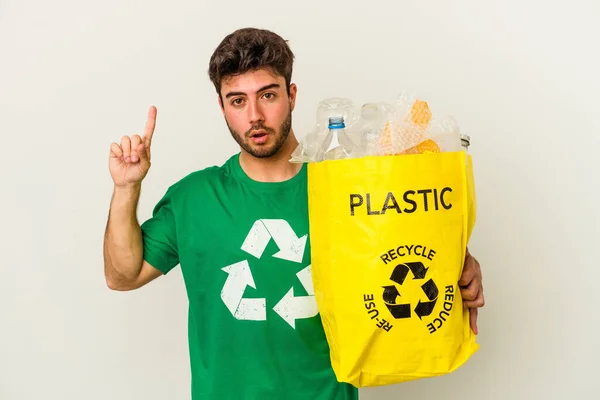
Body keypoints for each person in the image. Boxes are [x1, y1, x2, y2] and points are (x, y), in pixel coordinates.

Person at [103, 27, 485, 400]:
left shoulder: (348, 187)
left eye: (267, 95)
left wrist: (458, 266)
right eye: (237, 100)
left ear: (292, 95)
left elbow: (403, 254)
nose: (254, 115)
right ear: (221, 106)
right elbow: (124, 275)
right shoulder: (194, 198)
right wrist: (126, 188)